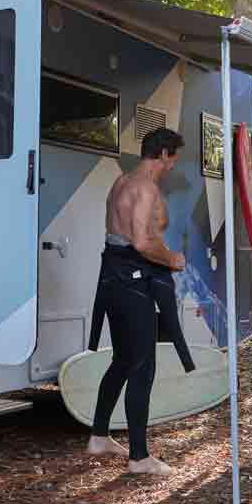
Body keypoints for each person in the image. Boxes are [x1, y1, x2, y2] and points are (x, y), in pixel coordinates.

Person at [85, 127, 194, 477]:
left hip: (113, 277)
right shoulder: (144, 188)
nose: (173, 164)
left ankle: (99, 437)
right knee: (142, 366)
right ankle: (139, 457)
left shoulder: (121, 182)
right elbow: (143, 243)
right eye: (173, 157)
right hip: (130, 280)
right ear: (163, 154)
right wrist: (173, 259)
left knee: (123, 359)